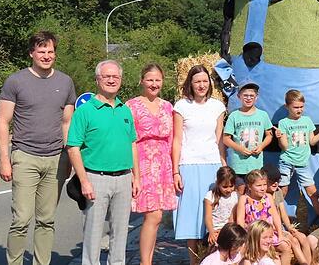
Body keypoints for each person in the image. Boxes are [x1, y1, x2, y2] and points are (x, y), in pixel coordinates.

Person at [0, 31, 76, 265]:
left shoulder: (65, 81)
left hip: (55, 159)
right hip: (25, 156)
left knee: (46, 219)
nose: (46, 55)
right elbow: (3, 121)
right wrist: (4, 159)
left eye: (50, 51)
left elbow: (67, 122)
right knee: (21, 219)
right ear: (32, 53)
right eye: (41, 51)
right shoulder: (16, 81)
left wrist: (69, 157)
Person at [66, 59, 140, 265]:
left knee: (120, 235)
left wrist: (137, 177)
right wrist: (84, 182)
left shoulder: (125, 110)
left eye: (115, 77)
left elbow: (132, 144)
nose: (111, 80)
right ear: (98, 79)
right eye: (107, 76)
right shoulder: (85, 111)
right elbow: (73, 148)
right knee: (93, 235)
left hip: (124, 178)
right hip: (95, 178)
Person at [173, 65, 228, 263]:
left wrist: (223, 164)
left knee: (214, 214)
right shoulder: (181, 106)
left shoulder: (217, 107)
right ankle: (194, 260)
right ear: (190, 83)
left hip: (212, 164)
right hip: (188, 164)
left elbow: (220, 138)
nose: (201, 85)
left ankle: (213, 259)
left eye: (205, 81)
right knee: (192, 217)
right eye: (197, 81)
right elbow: (177, 139)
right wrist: (175, 171)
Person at [126, 63, 177, 265]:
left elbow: (173, 139)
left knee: (155, 217)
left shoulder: (168, 106)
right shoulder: (131, 106)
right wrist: (132, 171)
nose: (154, 84)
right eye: (150, 79)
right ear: (142, 81)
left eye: (157, 80)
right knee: (153, 216)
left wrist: (175, 170)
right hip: (142, 162)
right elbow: (127, 139)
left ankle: (148, 259)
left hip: (163, 164)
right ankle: (144, 262)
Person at [274, 89, 319, 218]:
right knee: (281, 191)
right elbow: (284, 146)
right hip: (286, 162)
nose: (299, 110)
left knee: (312, 192)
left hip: (302, 163)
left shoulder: (307, 121)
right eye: (295, 107)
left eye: (301, 107)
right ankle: (272, 216)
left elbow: (312, 141)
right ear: (287, 106)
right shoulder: (283, 123)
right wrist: (279, 137)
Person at [236, 169, 298, 265]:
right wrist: (245, 238)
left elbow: (276, 217)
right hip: (252, 236)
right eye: (258, 185)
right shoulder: (244, 199)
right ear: (249, 186)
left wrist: (280, 235)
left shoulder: (268, 197)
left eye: (264, 185)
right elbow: (239, 221)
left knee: (286, 246)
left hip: (269, 235)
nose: (262, 188)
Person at [222, 82, 273, 188]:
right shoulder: (234, 116)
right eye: (245, 95)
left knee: (256, 190)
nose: (248, 98)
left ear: (256, 97)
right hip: (238, 165)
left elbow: (269, 135)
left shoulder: (263, 115)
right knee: (241, 191)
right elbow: (226, 139)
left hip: (256, 164)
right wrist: (240, 148)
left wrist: (261, 146)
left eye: (251, 96)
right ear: (239, 96)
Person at [263, 164, 312, 265]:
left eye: (278, 181)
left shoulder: (278, 192)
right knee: (293, 241)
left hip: (281, 228)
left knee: (302, 237)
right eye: (272, 181)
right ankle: (304, 263)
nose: (275, 184)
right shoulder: (263, 196)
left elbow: (283, 212)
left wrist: (289, 226)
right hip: (272, 230)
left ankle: (309, 262)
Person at [204, 166, 239, 247]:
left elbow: (232, 217)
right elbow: (208, 217)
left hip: (229, 228)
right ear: (218, 183)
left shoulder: (236, 196)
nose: (229, 190)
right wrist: (211, 231)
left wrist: (226, 230)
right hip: (214, 229)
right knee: (215, 243)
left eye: (231, 186)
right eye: (225, 187)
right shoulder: (210, 196)